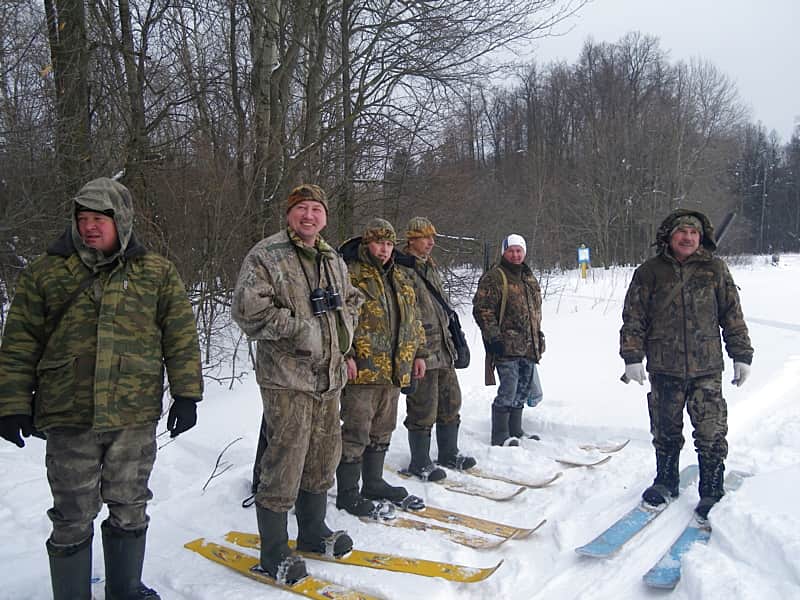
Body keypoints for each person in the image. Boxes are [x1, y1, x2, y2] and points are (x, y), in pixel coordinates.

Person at [0, 177, 203, 600]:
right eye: (83, 219)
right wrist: (12, 403)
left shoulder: (155, 273)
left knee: (130, 505)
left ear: (121, 221)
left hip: (133, 415)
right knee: (72, 513)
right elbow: (19, 342)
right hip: (68, 415)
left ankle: (125, 589)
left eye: (99, 219)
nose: (90, 227)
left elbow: (180, 336)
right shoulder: (47, 272)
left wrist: (187, 395)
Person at [231, 184, 363, 584]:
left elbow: (352, 297)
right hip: (287, 378)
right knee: (285, 460)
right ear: (289, 214)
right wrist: (301, 331)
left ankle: (312, 532)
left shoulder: (331, 256)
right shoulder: (267, 254)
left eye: (316, 210)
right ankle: (273, 551)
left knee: (323, 456)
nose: (309, 216)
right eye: (301, 209)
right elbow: (247, 310)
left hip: (329, 377)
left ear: (325, 216)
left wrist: (344, 333)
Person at [620, 209, 753, 520]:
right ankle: (666, 481)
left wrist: (742, 355)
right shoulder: (649, 272)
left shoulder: (715, 270)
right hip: (664, 367)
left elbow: (732, 315)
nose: (688, 237)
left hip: (706, 368)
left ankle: (711, 488)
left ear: (700, 236)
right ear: (670, 235)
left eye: (693, 233)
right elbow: (634, 317)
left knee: (710, 431)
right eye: (682, 232)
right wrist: (632, 356)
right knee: (665, 430)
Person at [335, 218, 427, 516]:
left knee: (383, 429)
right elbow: (338, 320)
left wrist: (418, 354)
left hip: (394, 369)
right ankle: (348, 494)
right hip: (362, 370)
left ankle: (373, 482)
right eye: (379, 243)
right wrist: (345, 354)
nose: (384, 249)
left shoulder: (400, 275)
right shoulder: (349, 274)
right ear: (367, 243)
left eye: (389, 243)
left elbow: (414, 319)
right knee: (355, 432)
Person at [395, 217, 475, 480]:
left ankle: (449, 453)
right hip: (422, 351)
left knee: (451, 401)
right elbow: (406, 314)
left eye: (432, 238)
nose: (430, 242)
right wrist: (416, 349)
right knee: (422, 407)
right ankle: (420, 461)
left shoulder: (430, 267)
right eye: (424, 237)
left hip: (444, 348)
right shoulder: (402, 269)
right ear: (411, 239)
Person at [472, 234, 545, 446]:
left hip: (529, 347)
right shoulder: (494, 277)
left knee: (523, 389)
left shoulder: (528, 277)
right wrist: (494, 337)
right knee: (508, 389)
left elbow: (535, 312)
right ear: (504, 252)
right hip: (506, 347)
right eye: (511, 250)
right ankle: (500, 435)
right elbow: (482, 309)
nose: (515, 254)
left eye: (519, 250)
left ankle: (516, 430)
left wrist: (538, 338)